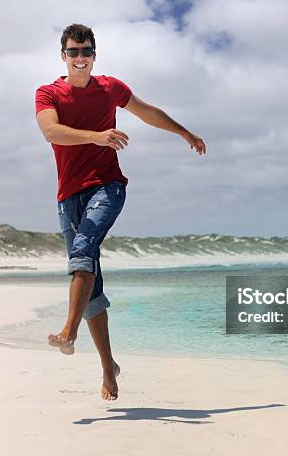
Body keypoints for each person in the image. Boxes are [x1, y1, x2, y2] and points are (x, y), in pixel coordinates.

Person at [35, 23, 206, 401]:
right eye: (74, 52)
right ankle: (108, 367)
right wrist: (96, 136)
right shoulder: (48, 93)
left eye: (87, 52)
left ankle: (68, 332)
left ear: (94, 55)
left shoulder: (111, 88)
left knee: (83, 250)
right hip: (68, 197)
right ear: (63, 56)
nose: (81, 58)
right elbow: (51, 132)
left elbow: (147, 112)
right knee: (91, 287)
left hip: (107, 186)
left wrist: (184, 132)